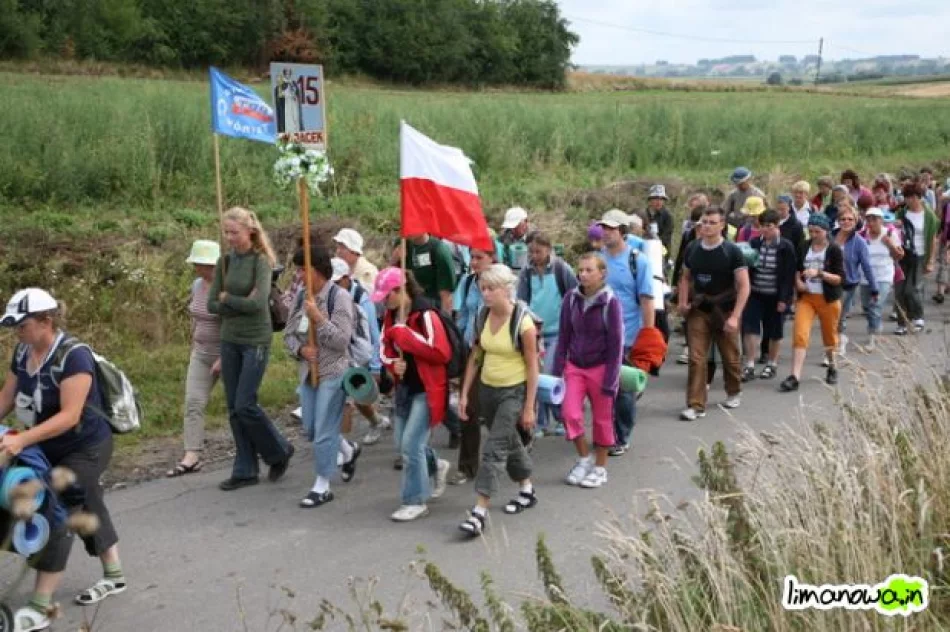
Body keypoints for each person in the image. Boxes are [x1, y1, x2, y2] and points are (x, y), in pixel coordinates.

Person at [0, 289, 127, 630]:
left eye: (22, 325)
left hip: (86, 446)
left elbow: (70, 416)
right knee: (85, 499)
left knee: (53, 506)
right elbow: (6, 398)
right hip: (44, 447)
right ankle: (114, 573)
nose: (17, 332)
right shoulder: (23, 351)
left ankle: (41, 605)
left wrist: (21, 440)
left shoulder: (74, 356)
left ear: (46, 321)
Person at [208, 207, 294, 491]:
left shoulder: (261, 262)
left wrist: (228, 298)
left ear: (250, 232)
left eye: (234, 232)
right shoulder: (224, 262)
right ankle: (245, 469)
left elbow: (257, 306)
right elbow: (211, 304)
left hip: (256, 339)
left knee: (246, 403)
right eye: (226, 232)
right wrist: (237, 300)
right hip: (229, 338)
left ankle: (279, 450)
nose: (230, 238)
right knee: (234, 407)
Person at [458, 265, 539, 537]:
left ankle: (479, 511)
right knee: (509, 441)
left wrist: (528, 406)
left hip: (513, 391)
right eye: (483, 288)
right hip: (487, 390)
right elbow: (475, 356)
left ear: (506, 289)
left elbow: (532, 366)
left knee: (493, 449)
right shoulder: (482, 316)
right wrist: (465, 393)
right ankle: (526, 488)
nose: (486, 294)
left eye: (491, 288)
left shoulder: (522, 323)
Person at [283, 246, 357, 508]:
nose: (299, 276)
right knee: (312, 428)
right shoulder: (301, 296)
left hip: (334, 371)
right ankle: (348, 450)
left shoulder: (340, 297)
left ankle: (322, 484)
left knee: (324, 429)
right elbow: (288, 335)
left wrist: (318, 319)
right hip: (308, 373)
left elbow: (341, 340)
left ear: (317, 270)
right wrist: (301, 349)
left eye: (303, 270)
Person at [377, 268, 452, 522]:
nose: (384, 302)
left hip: (427, 389)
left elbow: (440, 352)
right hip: (404, 389)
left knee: (410, 445)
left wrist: (405, 335)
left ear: (400, 290)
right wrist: (391, 365)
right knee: (402, 444)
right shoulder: (390, 316)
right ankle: (435, 465)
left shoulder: (426, 315)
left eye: (387, 296)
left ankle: (415, 500)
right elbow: (384, 349)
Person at [552, 253, 624, 488]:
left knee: (602, 421)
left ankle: (600, 468)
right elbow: (564, 336)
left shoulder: (610, 302)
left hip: (602, 367)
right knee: (569, 413)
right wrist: (557, 371)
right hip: (575, 366)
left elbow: (616, 344)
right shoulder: (571, 299)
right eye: (580, 270)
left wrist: (611, 380)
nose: (582, 274)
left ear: (602, 273)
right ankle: (584, 459)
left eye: (588, 270)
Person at [677, 207, 750, 421]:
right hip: (699, 308)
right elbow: (685, 277)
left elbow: (744, 286)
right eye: (704, 222)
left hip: (725, 309)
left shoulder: (732, 251)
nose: (706, 226)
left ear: (722, 225)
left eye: (711, 222)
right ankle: (696, 404)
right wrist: (683, 302)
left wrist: (735, 316)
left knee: (730, 356)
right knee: (696, 357)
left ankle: (734, 390)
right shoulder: (692, 248)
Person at [598, 210, 655, 454]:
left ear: (623, 232)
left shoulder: (637, 260)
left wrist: (649, 334)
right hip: (600, 334)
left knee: (622, 389)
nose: (606, 233)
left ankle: (621, 436)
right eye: (604, 228)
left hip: (628, 334)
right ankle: (607, 431)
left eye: (611, 229)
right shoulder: (597, 260)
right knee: (604, 387)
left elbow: (646, 299)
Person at [167, 240, 222, 477]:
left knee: (243, 407)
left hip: (227, 353)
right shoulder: (197, 285)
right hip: (201, 353)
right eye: (197, 264)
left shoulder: (227, 288)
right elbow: (195, 317)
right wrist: (194, 342)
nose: (198, 268)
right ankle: (192, 454)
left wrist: (224, 356)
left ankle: (259, 447)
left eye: (202, 264)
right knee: (193, 402)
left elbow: (233, 324)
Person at [517, 233, 577, 435]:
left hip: (559, 332)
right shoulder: (526, 272)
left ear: (549, 250)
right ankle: (541, 421)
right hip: (535, 332)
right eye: (531, 252)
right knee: (537, 376)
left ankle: (561, 418)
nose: (534, 256)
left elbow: (574, 297)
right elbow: (522, 300)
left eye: (539, 251)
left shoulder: (562, 269)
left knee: (551, 374)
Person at [779, 214, 845, 392]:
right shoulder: (804, 246)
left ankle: (832, 366)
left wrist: (820, 274)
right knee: (800, 334)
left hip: (827, 298)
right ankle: (795, 376)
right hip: (807, 298)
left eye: (818, 231)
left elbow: (839, 279)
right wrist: (798, 282)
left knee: (829, 336)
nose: (814, 234)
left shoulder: (834, 249)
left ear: (826, 231)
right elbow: (797, 268)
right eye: (811, 231)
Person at [328, 257, 391, 445]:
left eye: (337, 282)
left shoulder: (362, 298)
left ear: (347, 279)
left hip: (362, 354)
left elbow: (373, 333)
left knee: (362, 393)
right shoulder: (331, 296)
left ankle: (386, 419)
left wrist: (375, 365)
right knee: (350, 394)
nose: (334, 286)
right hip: (342, 353)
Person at [450, 247, 497, 485]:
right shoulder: (468, 283)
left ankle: (519, 444)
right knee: (467, 407)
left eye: (480, 257)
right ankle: (467, 466)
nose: (475, 262)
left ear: (492, 258)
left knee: (501, 410)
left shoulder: (504, 282)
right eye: (473, 257)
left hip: (500, 355)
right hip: (473, 352)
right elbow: (462, 316)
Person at [741, 210, 797, 381]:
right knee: (750, 328)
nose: (765, 230)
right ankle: (750, 364)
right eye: (763, 226)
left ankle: (771, 363)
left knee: (774, 331)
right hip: (755, 293)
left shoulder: (786, 247)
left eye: (769, 226)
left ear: (777, 226)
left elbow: (789, 275)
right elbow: (747, 267)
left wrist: (784, 299)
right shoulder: (754, 243)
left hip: (775, 295)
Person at [894, 183, 939, 335]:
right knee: (899, 291)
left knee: (911, 290)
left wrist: (931, 260)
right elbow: (893, 233)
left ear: (919, 197)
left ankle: (918, 316)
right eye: (907, 197)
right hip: (902, 255)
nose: (909, 200)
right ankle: (902, 323)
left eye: (913, 197)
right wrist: (896, 226)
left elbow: (933, 239)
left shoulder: (929, 216)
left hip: (919, 255)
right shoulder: (901, 213)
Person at [832, 207, 877, 357]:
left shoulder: (860, 242)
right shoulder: (830, 237)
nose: (846, 222)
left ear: (856, 221)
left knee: (840, 314)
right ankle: (835, 340)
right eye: (843, 219)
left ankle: (841, 341)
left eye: (850, 219)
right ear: (838, 221)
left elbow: (867, 266)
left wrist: (874, 287)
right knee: (831, 315)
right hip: (829, 282)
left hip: (848, 284)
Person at [859, 208, 903, 349]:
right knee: (867, 307)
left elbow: (899, 256)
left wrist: (889, 244)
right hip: (866, 277)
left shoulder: (890, 233)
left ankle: (873, 336)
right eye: (869, 219)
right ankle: (876, 325)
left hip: (884, 276)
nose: (871, 223)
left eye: (875, 219)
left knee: (875, 306)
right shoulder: (862, 235)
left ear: (881, 220)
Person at [498, 207, 535, 272]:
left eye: (517, 225)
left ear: (526, 222)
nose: (513, 229)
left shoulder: (536, 237)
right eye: (512, 226)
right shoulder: (503, 237)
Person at [646, 184, 674, 257]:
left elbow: (666, 236)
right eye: (656, 198)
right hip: (645, 249)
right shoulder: (644, 214)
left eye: (661, 199)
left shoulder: (667, 216)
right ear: (650, 200)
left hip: (661, 252)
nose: (659, 201)